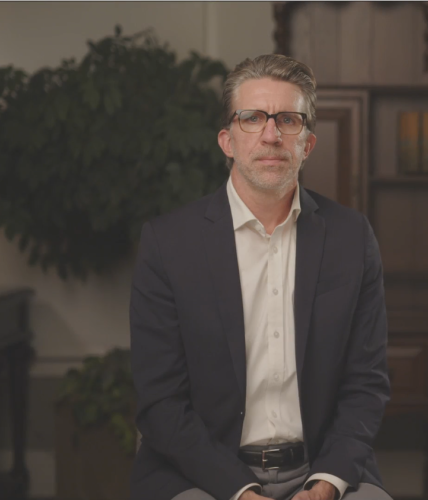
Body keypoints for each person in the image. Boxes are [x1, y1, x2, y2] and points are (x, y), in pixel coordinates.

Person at [130, 54, 391, 500]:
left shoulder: (351, 237)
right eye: (252, 118)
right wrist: (240, 491)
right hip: (201, 475)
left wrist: (327, 483)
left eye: (288, 120)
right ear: (227, 140)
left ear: (307, 144)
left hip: (321, 467)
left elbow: (366, 383)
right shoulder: (168, 244)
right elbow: (161, 403)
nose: (271, 135)